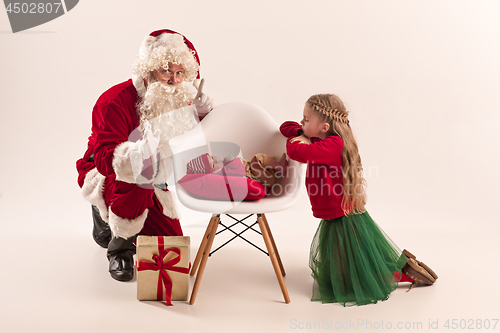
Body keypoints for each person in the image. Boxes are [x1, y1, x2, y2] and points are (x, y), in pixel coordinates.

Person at [76, 29, 214, 282]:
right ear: (148, 71)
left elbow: (192, 139)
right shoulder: (113, 101)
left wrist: (203, 114)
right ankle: (120, 247)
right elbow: (107, 161)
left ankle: (111, 217)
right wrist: (141, 153)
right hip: (108, 174)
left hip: (154, 180)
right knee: (139, 183)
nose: (173, 81)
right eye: (166, 72)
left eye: (179, 73)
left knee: (170, 247)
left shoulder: (180, 98)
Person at [280, 94, 438, 306]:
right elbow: (285, 126)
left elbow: (296, 152)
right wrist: (302, 131)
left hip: (339, 209)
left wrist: (299, 139)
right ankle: (398, 268)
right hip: (336, 207)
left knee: (350, 255)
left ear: (324, 126)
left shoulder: (332, 145)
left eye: (306, 119)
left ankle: (400, 273)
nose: (301, 122)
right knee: (352, 252)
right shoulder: (322, 139)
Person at [186, 152, 288, 187]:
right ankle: (278, 166)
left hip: (262, 173)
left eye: (212, 157)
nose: (216, 161)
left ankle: (277, 169)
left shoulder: (225, 167)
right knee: (257, 159)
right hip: (258, 178)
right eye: (213, 165)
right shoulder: (223, 175)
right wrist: (231, 161)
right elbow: (239, 171)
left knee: (258, 161)